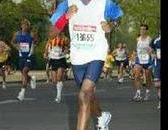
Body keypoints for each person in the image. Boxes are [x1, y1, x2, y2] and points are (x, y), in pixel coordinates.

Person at [50, 0, 123, 129]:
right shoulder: (67, 3)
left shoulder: (105, 3)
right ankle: (101, 116)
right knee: (88, 95)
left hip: (97, 53)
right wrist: (65, 17)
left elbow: (118, 17)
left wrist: (111, 25)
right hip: (77, 57)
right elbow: (51, 32)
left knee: (84, 96)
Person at [11, 19, 36, 101]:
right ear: (21, 26)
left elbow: (37, 41)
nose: (24, 26)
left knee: (25, 71)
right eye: (23, 25)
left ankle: (22, 93)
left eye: (26, 25)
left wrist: (34, 43)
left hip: (29, 57)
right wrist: (17, 47)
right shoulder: (17, 34)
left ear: (28, 26)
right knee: (24, 74)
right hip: (21, 57)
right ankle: (31, 78)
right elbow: (12, 42)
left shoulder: (31, 34)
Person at [44, 31, 68, 103]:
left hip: (61, 60)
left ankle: (58, 96)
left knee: (59, 78)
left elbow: (67, 48)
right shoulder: (51, 40)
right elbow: (47, 47)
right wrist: (45, 54)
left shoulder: (64, 39)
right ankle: (59, 89)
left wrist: (64, 53)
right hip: (53, 60)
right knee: (54, 81)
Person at [132, 24, 153, 101]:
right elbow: (137, 48)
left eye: (144, 29)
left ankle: (147, 92)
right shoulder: (138, 39)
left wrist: (149, 51)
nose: (142, 31)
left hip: (147, 60)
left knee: (147, 77)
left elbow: (151, 49)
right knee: (137, 76)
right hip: (139, 59)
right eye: (141, 29)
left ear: (146, 30)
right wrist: (135, 54)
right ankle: (138, 93)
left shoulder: (149, 39)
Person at [150, 32, 161, 109]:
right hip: (158, 63)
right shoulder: (156, 40)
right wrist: (152, 53)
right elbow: (150, 48)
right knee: (157, 84)